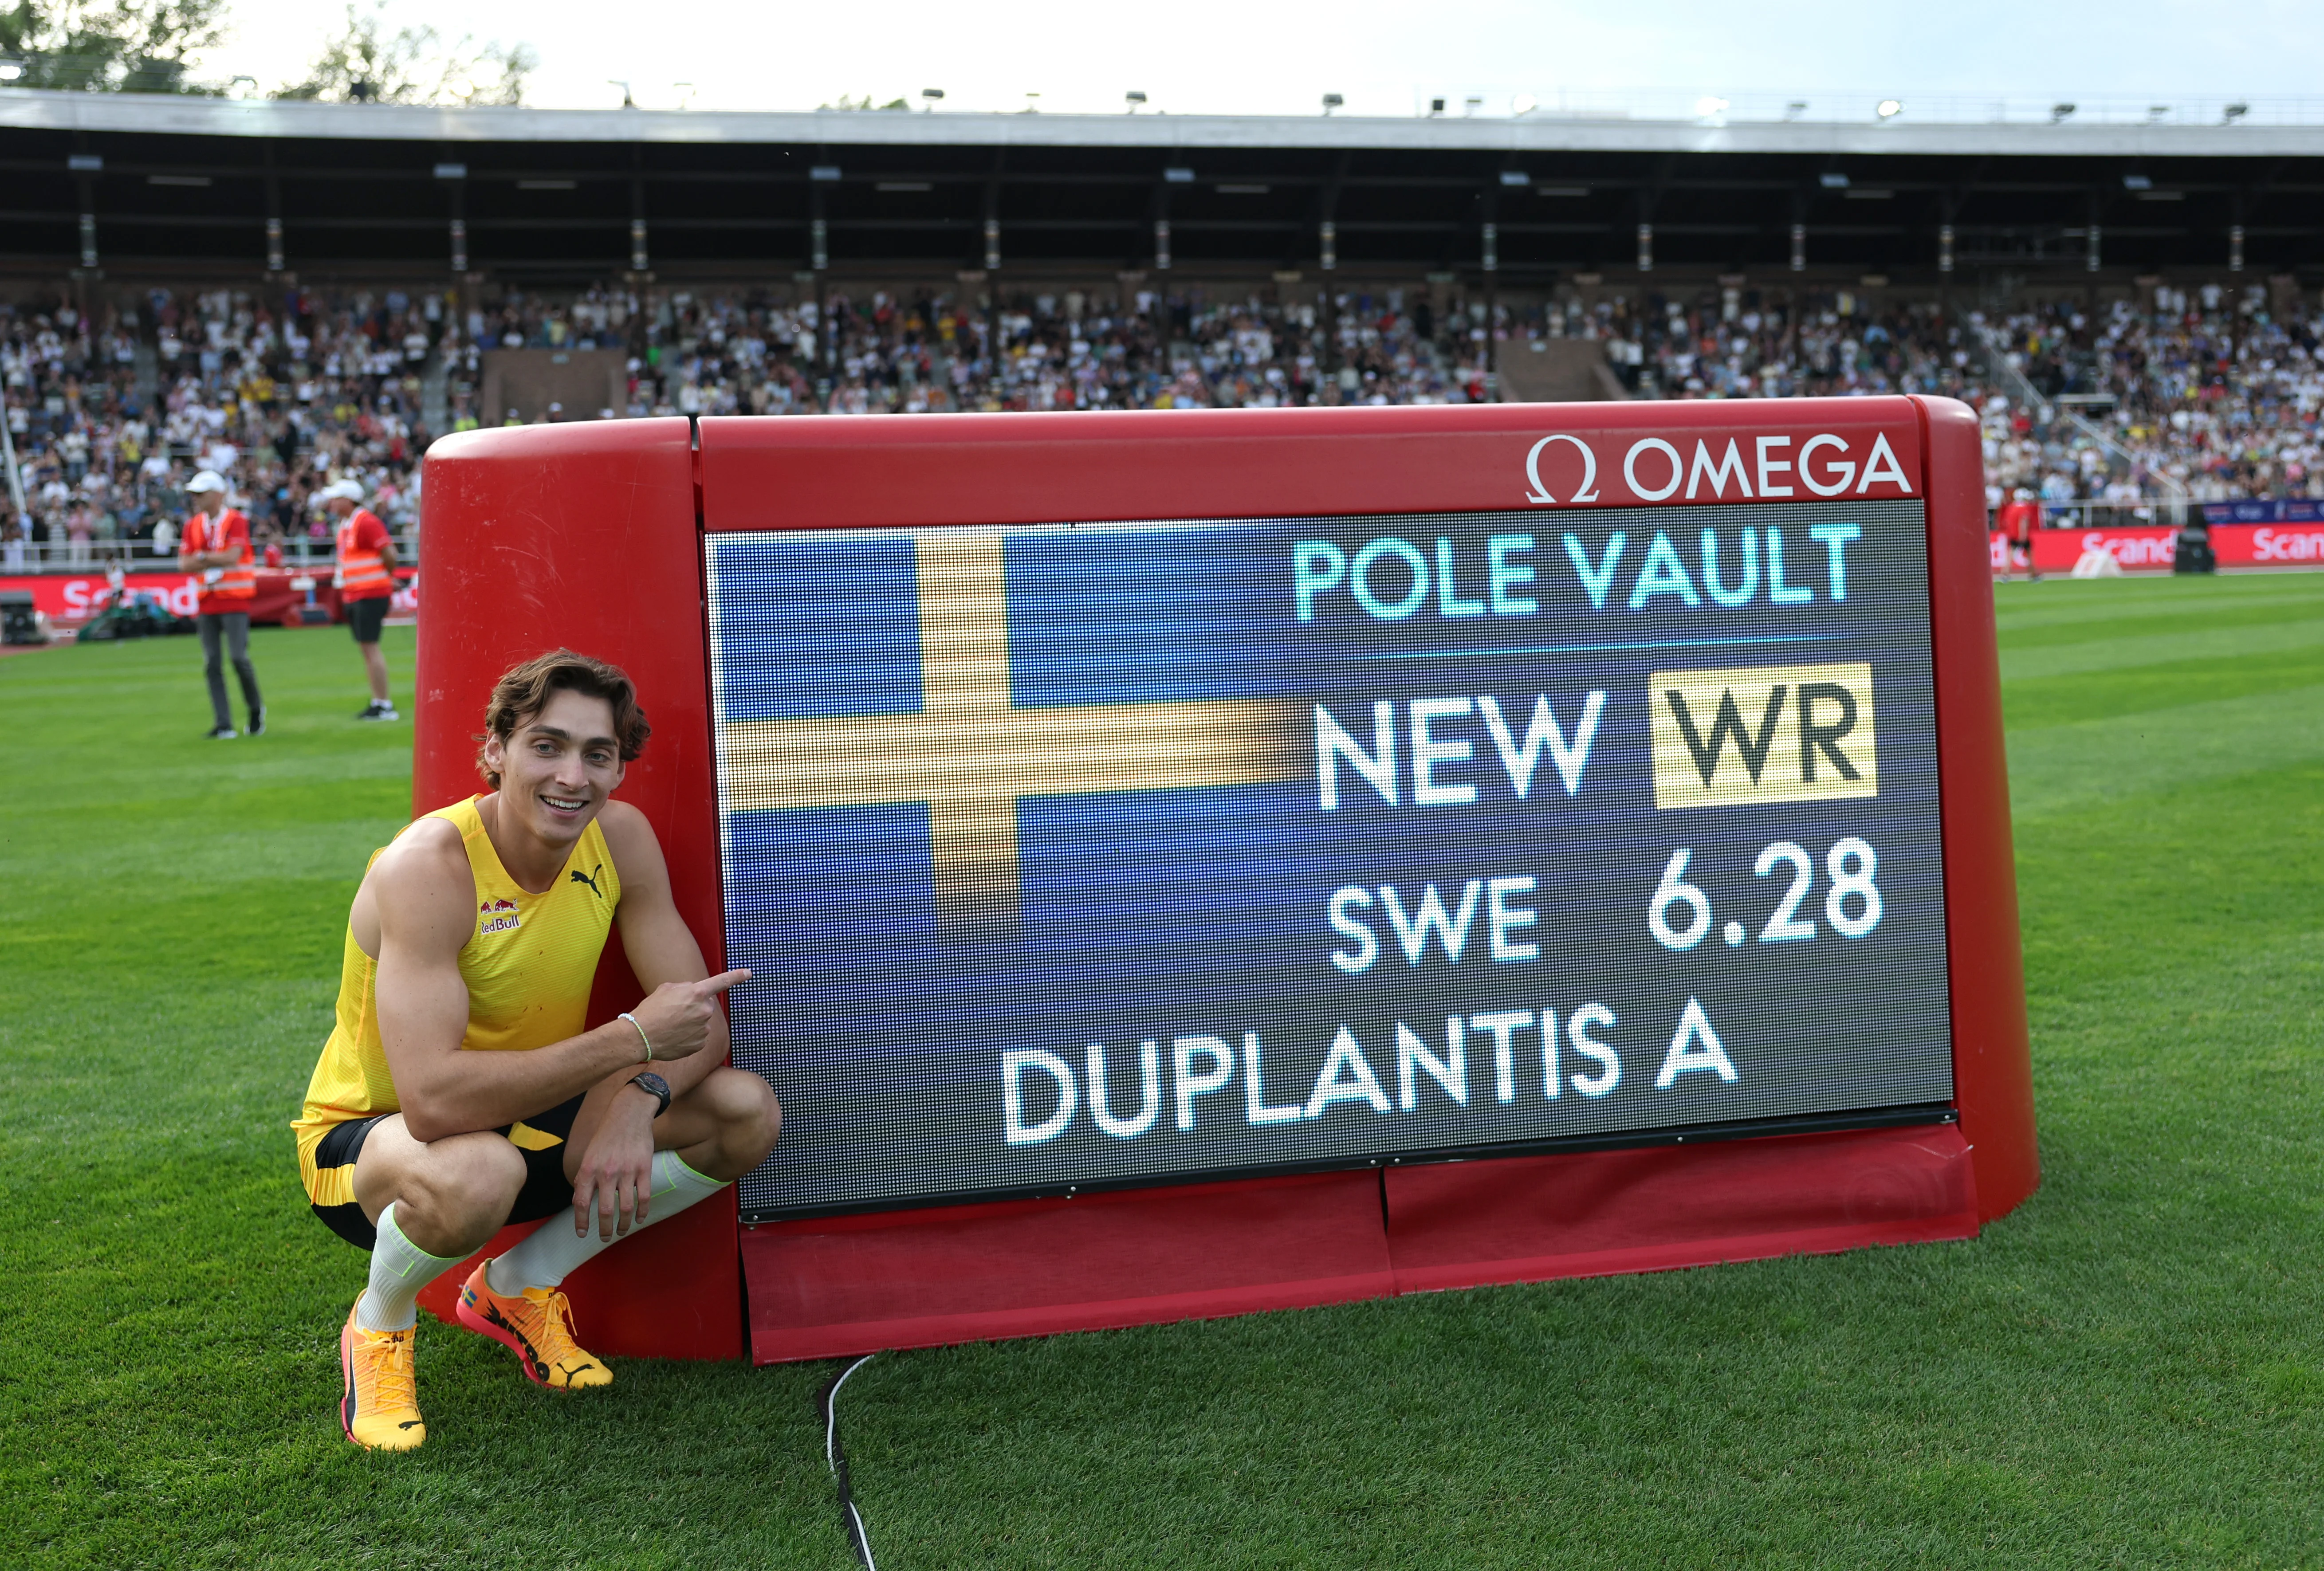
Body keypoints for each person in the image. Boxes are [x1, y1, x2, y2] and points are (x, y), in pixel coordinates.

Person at [291, 650, 781, 1452]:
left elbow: (696, 1021)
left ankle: (517, 1286)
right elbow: (433, 1103)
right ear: (495, 752)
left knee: (743, 1111)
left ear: (621, 769)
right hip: (373, 1141)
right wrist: (629, 1042)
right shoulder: (427, 867)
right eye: (546, 746)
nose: (572, 776)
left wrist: (636, 1099)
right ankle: (378, 1322)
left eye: (598, 753)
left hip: (525, 1117)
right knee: (478, 1167)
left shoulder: (621, 838)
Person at [178, 471, 265, 738]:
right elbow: (184, 564)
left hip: (235, 599)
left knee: (239, 658)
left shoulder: (236, 521)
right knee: (212, 663)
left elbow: (233, 557)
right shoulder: (192, 525)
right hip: (208, 601)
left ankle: (254, 708)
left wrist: (202, 557)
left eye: (201, 494)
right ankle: (224, 723)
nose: (196, 499)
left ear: (217, 495)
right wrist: (213, 557)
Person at [321, 478, 400, 720]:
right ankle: (379, 701)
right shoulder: (348, 524)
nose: (332, 502)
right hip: (357, 593)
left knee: (370, 647)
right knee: (367, 649)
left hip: (370, 593)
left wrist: (380, 579)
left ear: (348, 499)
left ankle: (384, 704)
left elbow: (390, 554)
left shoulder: (365, 521)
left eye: (336, 498)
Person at [1999, 486, 2042, 581]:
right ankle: (2033, 575)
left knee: (2010, 556)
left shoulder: (2011, 508)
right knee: (2030, 556)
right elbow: (2024, 521)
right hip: (2022, 535)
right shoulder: (2025, 508)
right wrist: (2023, 534)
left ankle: (2005, 575)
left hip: (2012, 534)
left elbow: (2006, 521)